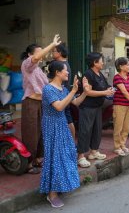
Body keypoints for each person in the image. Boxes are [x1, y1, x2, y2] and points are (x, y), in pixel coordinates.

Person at [40, 61, 91, 208]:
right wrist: (73, 91)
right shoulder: (48, 89)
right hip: (51, 126)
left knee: (66, 154)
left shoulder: (62, 88)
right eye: (65, 71)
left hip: (61, 123)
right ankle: (52, 193)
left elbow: (75, 103)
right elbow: (59, 106)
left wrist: (85, 92)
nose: (68, 73)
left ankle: (59, 185)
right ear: (57, 72)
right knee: (55, 157)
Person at [20, 34, 61, 174]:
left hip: (41, 103)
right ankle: (27, 163)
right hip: (31, 103)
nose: (41, 54)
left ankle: (37, 158)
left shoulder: (38, 69)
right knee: (31, 133)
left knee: (41, 133)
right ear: (29, 55)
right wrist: (52, 44)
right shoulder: (27, 64)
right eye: (38, 52)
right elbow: (36, 58)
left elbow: (46, 85)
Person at [77, 52, 115, 168]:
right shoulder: (88, 74)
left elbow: (106, 86)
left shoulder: (99, 74)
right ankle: (81, 156)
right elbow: (88, 91)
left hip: (98, 106)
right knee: (85, 130)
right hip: (87, 107)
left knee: (97, 129)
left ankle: (94, 151)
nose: (103, 62)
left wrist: (110, 89)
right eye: (101, 60)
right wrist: (105, 92)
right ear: (95, 62)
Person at [113, 57, 129, 156]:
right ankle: (117, 147)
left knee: (126, 127)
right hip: (119, 105)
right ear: (121, 66)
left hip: (128, 105)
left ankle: (123, 145)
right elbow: (123, 91)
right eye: (127, 64)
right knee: (118, 127)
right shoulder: (117, 77)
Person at [51, 43, 75, 140]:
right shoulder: (66, 64)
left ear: (59, 53)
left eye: (54, 51)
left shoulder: (59, 65)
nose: (52, 53)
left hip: (61, 96)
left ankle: (71, 142)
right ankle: (72, 142)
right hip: (66, 95)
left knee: (67, 119)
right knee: (68, 119)